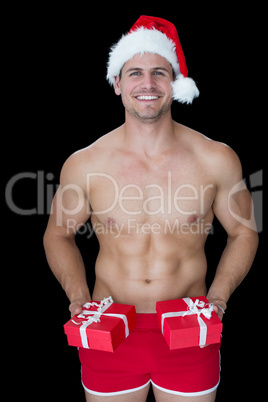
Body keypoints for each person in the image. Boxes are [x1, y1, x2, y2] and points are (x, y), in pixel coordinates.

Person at [43, 16, 258, 402]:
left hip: (189, 331)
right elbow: (57, 234)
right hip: (110, 331)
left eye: (159, 72)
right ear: (117, 84)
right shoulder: (84, 163)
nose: (147, 84)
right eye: (135, 73)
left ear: (174, 83)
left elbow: (244, 231)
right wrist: (78, 297)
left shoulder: (216, 158)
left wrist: (219, 299)